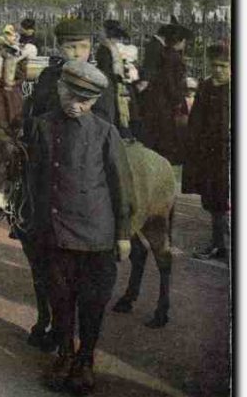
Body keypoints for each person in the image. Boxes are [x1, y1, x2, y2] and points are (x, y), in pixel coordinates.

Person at [27, 60, 133, 396]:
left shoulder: (104, 131)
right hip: (55, 234)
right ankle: (64, 354)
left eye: (84, 100)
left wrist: (123, 234)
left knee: (92, 303)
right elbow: (32, 179)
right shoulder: (40, 126)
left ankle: (85, 359)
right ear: (59, 89)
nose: (75, 104)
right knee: (59, 300)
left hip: (96, 236)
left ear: (94, 102)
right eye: (70, 95)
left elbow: (120, 186)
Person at [182, 43, 231, 260]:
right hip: (212, 155)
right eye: (214, 65)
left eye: (224, 65)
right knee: (215, 202)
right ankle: (218, 243)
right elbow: (195, 122)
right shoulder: (205, 87)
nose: (218, 69)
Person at [27, 18, 114, 125]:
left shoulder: (99, 79)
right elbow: (38, 110)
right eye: (70, 47)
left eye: (84, 47)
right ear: (59, 48)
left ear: (91, 48)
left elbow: (105, 118)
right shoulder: (49, 75)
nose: (78, 53)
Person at [140, 22, 193, 164]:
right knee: (166, 131)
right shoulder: (173, 57)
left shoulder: (165, 53)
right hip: (166, 100)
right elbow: (171, 81)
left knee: (160, 131)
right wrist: (178, 99)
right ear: (180, 41)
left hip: (160, 98)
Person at [95, 20, 136, 138]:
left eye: (101, 30)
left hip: (111, 83)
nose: (99, 32)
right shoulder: (118, 47)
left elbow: (105, 68)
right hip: (119, 82)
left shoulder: (105, 48)